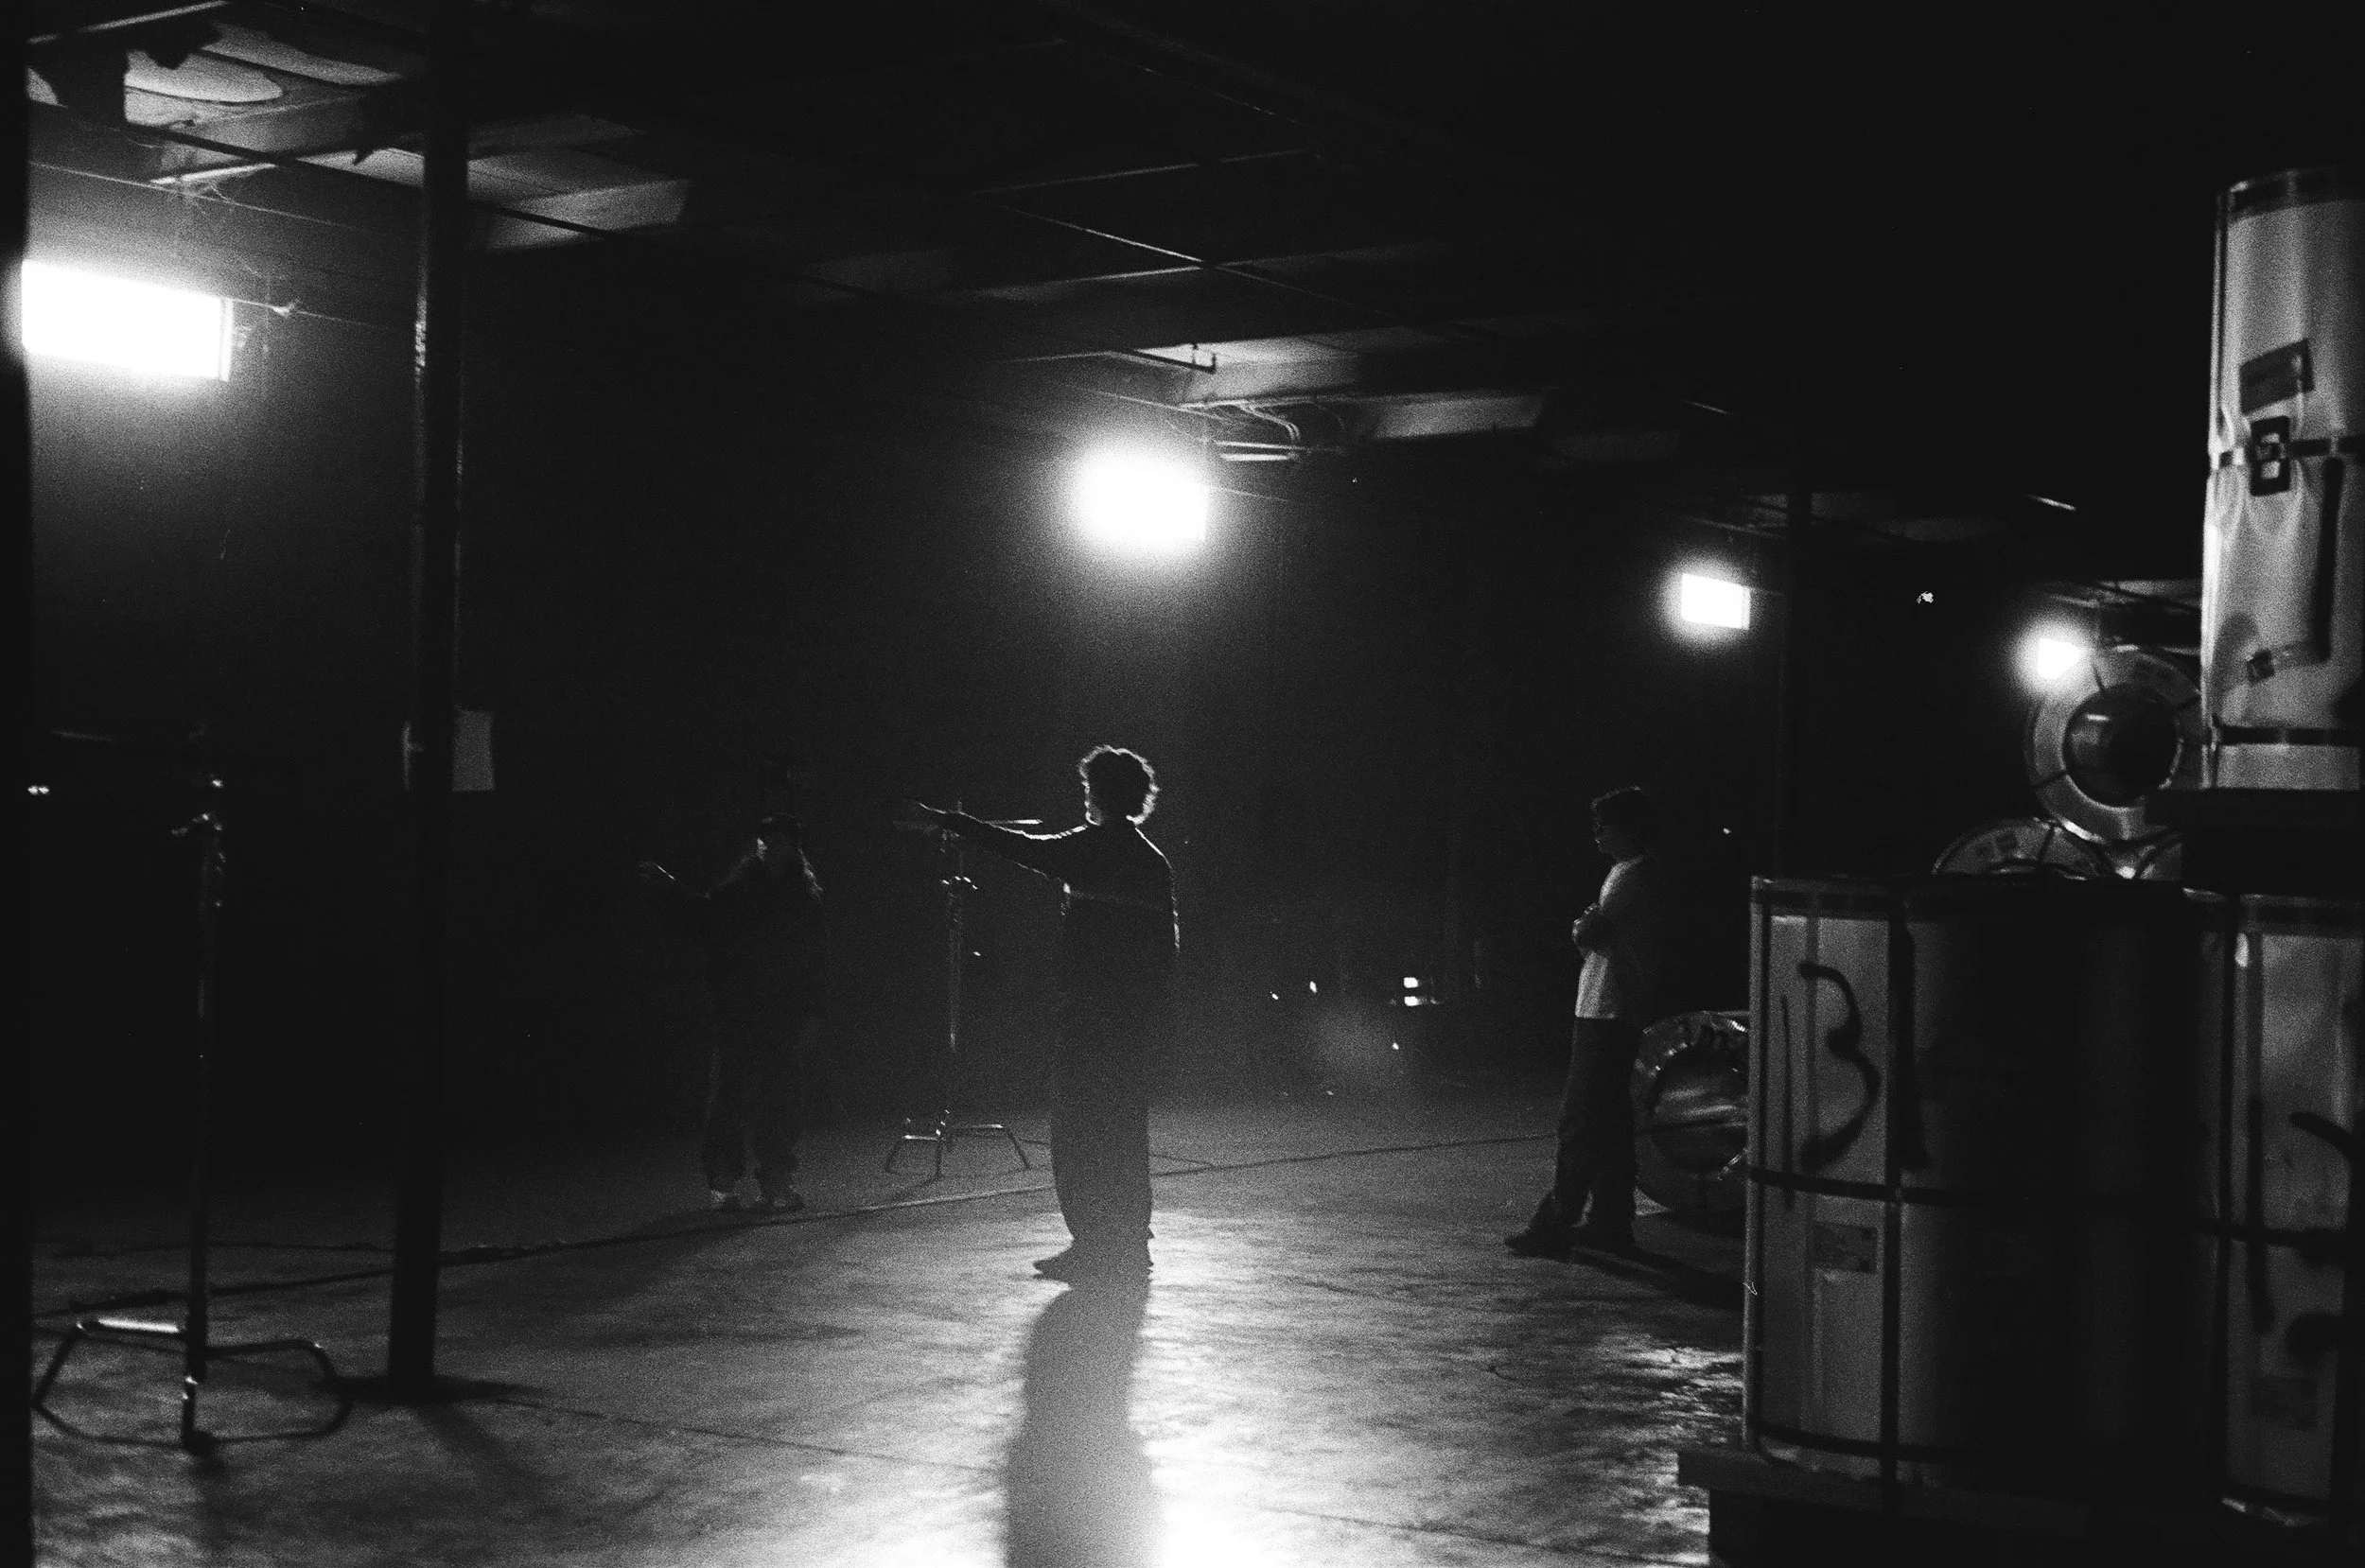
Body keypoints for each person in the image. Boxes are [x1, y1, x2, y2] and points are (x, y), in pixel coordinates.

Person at [908, 746, 1176, 1282]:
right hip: (1132, 1022)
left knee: (1078, 1132)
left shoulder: (1091, 848)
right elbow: (1165, 951)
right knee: (1125, 1131)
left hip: (1090, 1017)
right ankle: (1129, 1241)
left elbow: (1020, 849)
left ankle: (1093, 1244)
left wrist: (953, 822)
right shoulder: (1152, 860)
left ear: (1096, 793)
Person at [1506, 785, 1673, 1257]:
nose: (1597, 834)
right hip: (1613, 1008)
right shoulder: (1636, 873)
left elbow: (1588, 930)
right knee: (1610, 1123)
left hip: (1606, 1007)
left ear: (1630, 828)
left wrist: (1583, 927)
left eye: (1606, 825)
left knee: (1580, 1120)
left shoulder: (1632, 875)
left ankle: (1559, 1219)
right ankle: (1610, 1222)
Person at [641, 813, 826, 1212]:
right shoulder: (742, 891)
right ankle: (724, 1181)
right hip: (740, 1009)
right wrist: (668, 889)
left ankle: (774, 1181)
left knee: (779, 1098)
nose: (769, 849)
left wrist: (812, 1011)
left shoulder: (804, 898)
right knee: (731, 1095)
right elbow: (702, 919)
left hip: (780, 1013)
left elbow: (815, 962)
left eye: (777, 842)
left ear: (793, 848)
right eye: (764, 842)